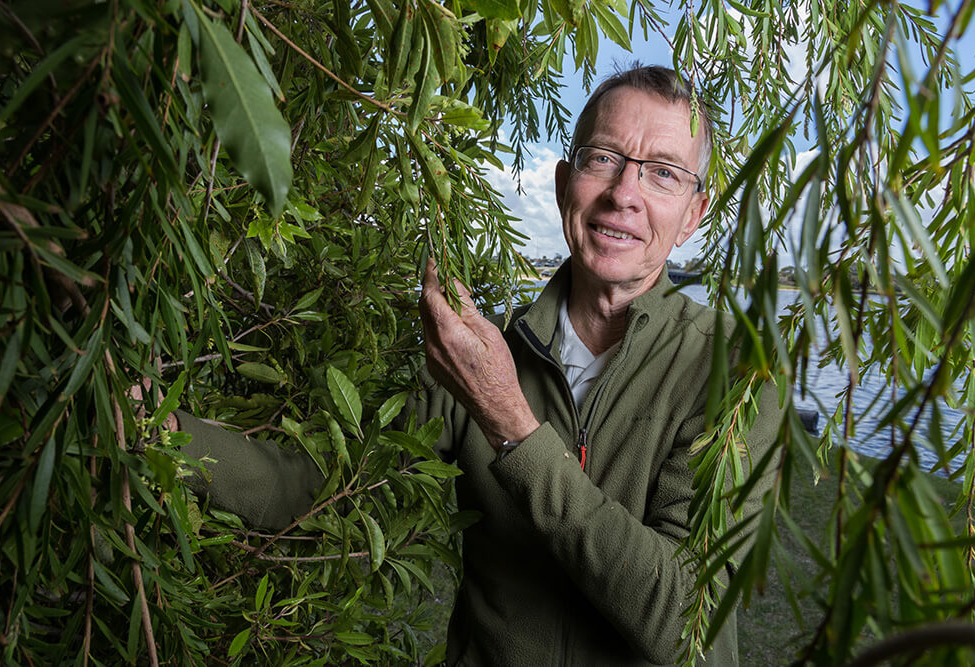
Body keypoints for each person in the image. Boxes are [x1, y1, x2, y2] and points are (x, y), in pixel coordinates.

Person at [173, 64, 782, 665]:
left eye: (664, 175)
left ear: (692, 216)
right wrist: (163, 434)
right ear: (565, 181)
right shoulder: (486, 353)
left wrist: (511, 424)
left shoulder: (734, 372)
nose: (625, 194)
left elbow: (683, 625)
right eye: (604, 158)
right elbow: (323, 491)